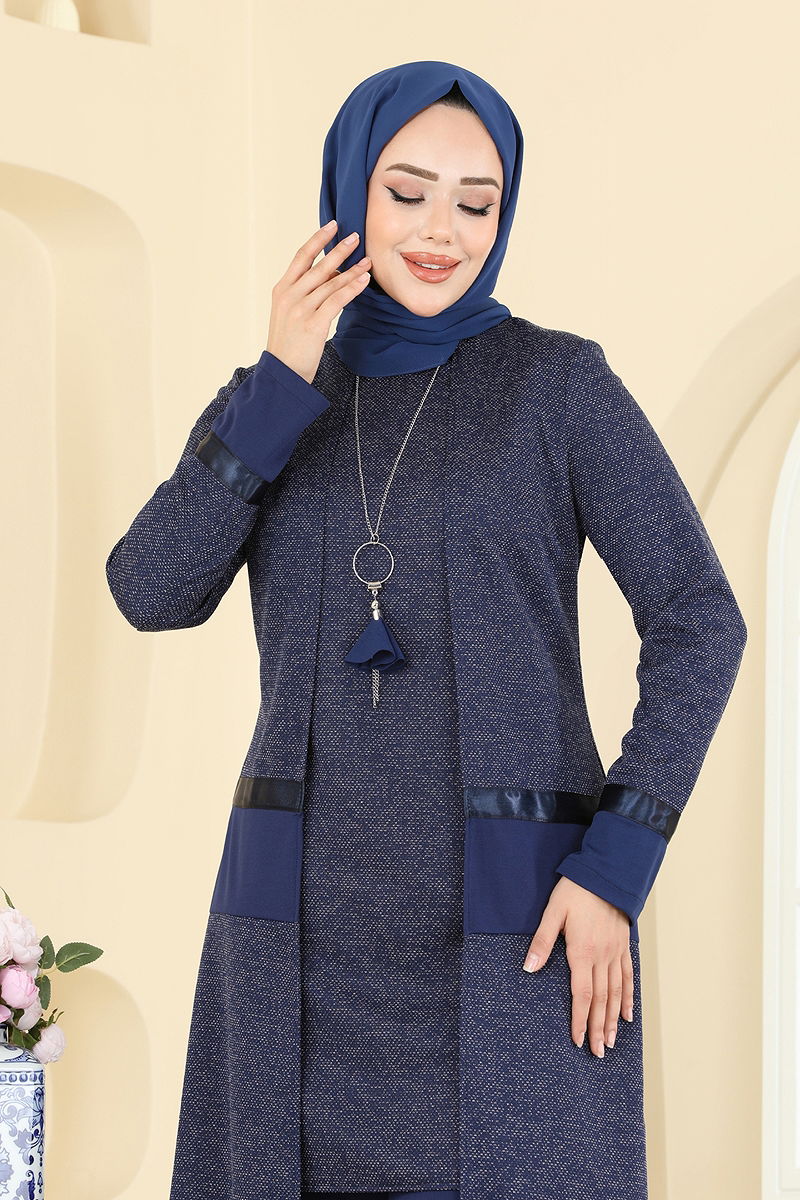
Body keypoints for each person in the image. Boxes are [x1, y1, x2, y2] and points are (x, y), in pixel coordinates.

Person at [105, 61, 747, 1200]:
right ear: (349, 191)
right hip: (296, 957)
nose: (441, 231)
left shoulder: (557, 386)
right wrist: (279, 382)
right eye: (406, 193)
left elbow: (700, 619)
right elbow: (150, 588)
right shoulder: (273, 400)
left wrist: (614, 868)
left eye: (475, 202)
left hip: (513, 937)